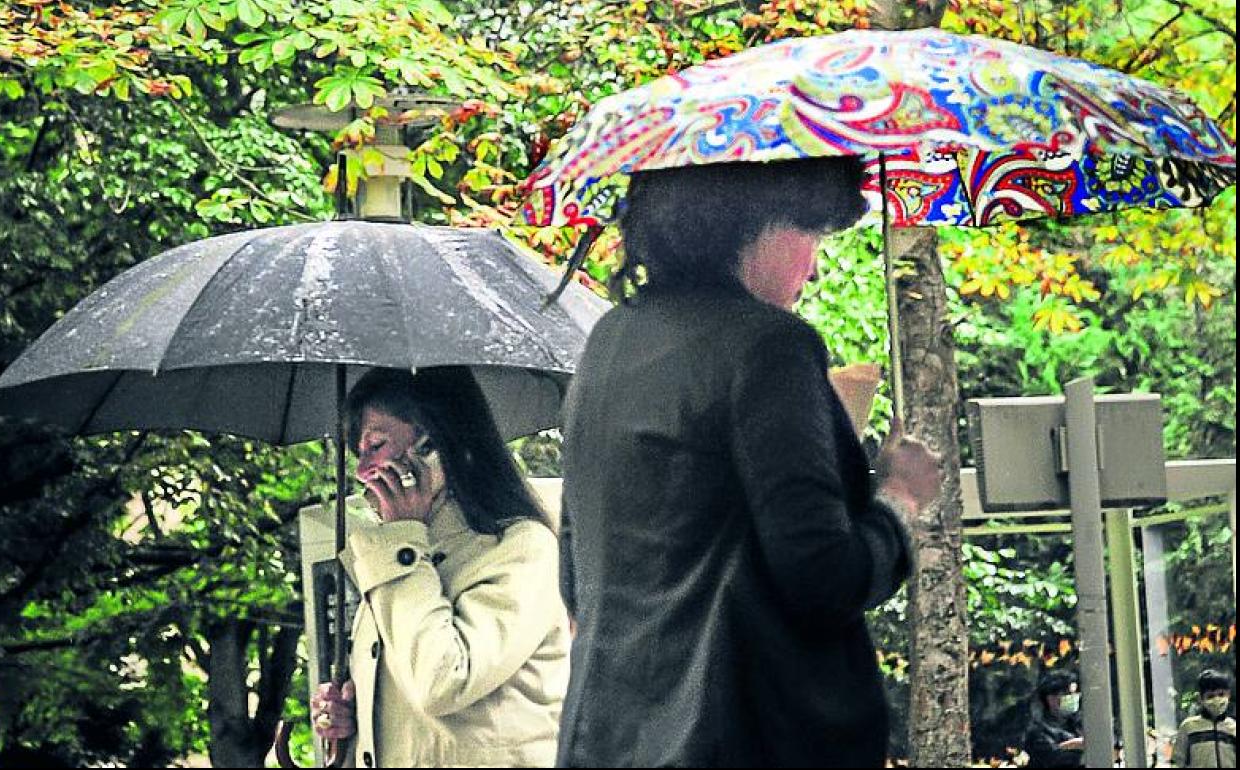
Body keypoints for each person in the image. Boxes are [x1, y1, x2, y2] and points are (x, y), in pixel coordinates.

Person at [556, 157, 943, 767]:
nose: (813, 269)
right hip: (736, 738)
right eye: (811, 233)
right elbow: (823, 575)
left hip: (606, 739)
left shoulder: (608, 341)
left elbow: (578, 572)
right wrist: (899, 500)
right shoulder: (768, 347)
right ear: (753, 224)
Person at [308, 367, 571, 767]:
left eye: (375, 446)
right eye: (358, 453)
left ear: (437, 447)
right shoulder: (401, 556)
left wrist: (401, 541)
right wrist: (355, 716)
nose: (362, 471)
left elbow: (442, 682)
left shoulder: (522, 549)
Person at [1171, 669, 1236, 768]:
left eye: (1221, 694)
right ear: (1200, 699)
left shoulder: (1233, 727)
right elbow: (1178, 760)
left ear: (1228, 695)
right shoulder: (1189, 727)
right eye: (1210, 696)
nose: (1217, 699)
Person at [1023, 671, 1085, 768]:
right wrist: (1077, 746)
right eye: (1069, 693)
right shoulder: (1038, 732)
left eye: (1076, 693)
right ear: (1051, 699)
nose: (1075, 697)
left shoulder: (1078, 724)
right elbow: (1053, 758)